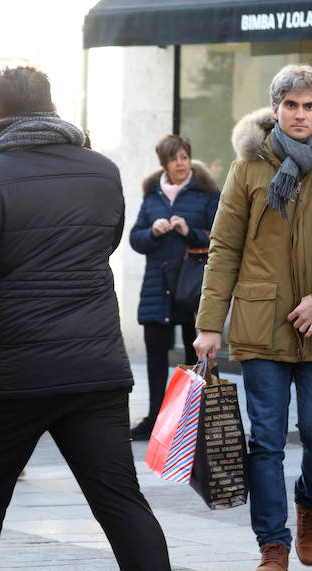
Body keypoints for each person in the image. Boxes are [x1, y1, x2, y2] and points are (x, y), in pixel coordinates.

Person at [0, 66, 172, 571]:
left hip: (11, 376)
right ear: (53, 109)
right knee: (120, 502)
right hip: (96, 369)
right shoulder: (103, 171)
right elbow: (104, 242)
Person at [192, 64, 312, 571]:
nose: (300, 115)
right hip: (261, 324)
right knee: (267, 441)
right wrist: (210, 323)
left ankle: (310, 502)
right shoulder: (247, 168)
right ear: (276, 109)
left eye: (310, 106)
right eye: (291, 105)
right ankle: (272, 544)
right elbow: (225, 248)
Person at [129, 135, 220, 440]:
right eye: (174, 159)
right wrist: (152, 233)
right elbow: (135, 238)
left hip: (191, 287)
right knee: (156, 358)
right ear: (164, 163)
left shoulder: (206, 194)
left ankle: (199, 421)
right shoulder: (152, 197)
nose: (180, 164)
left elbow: (220, 238)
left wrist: (189, 232)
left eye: (184, 157)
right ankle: (155, 418)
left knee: (197, 358)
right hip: (158, 288)